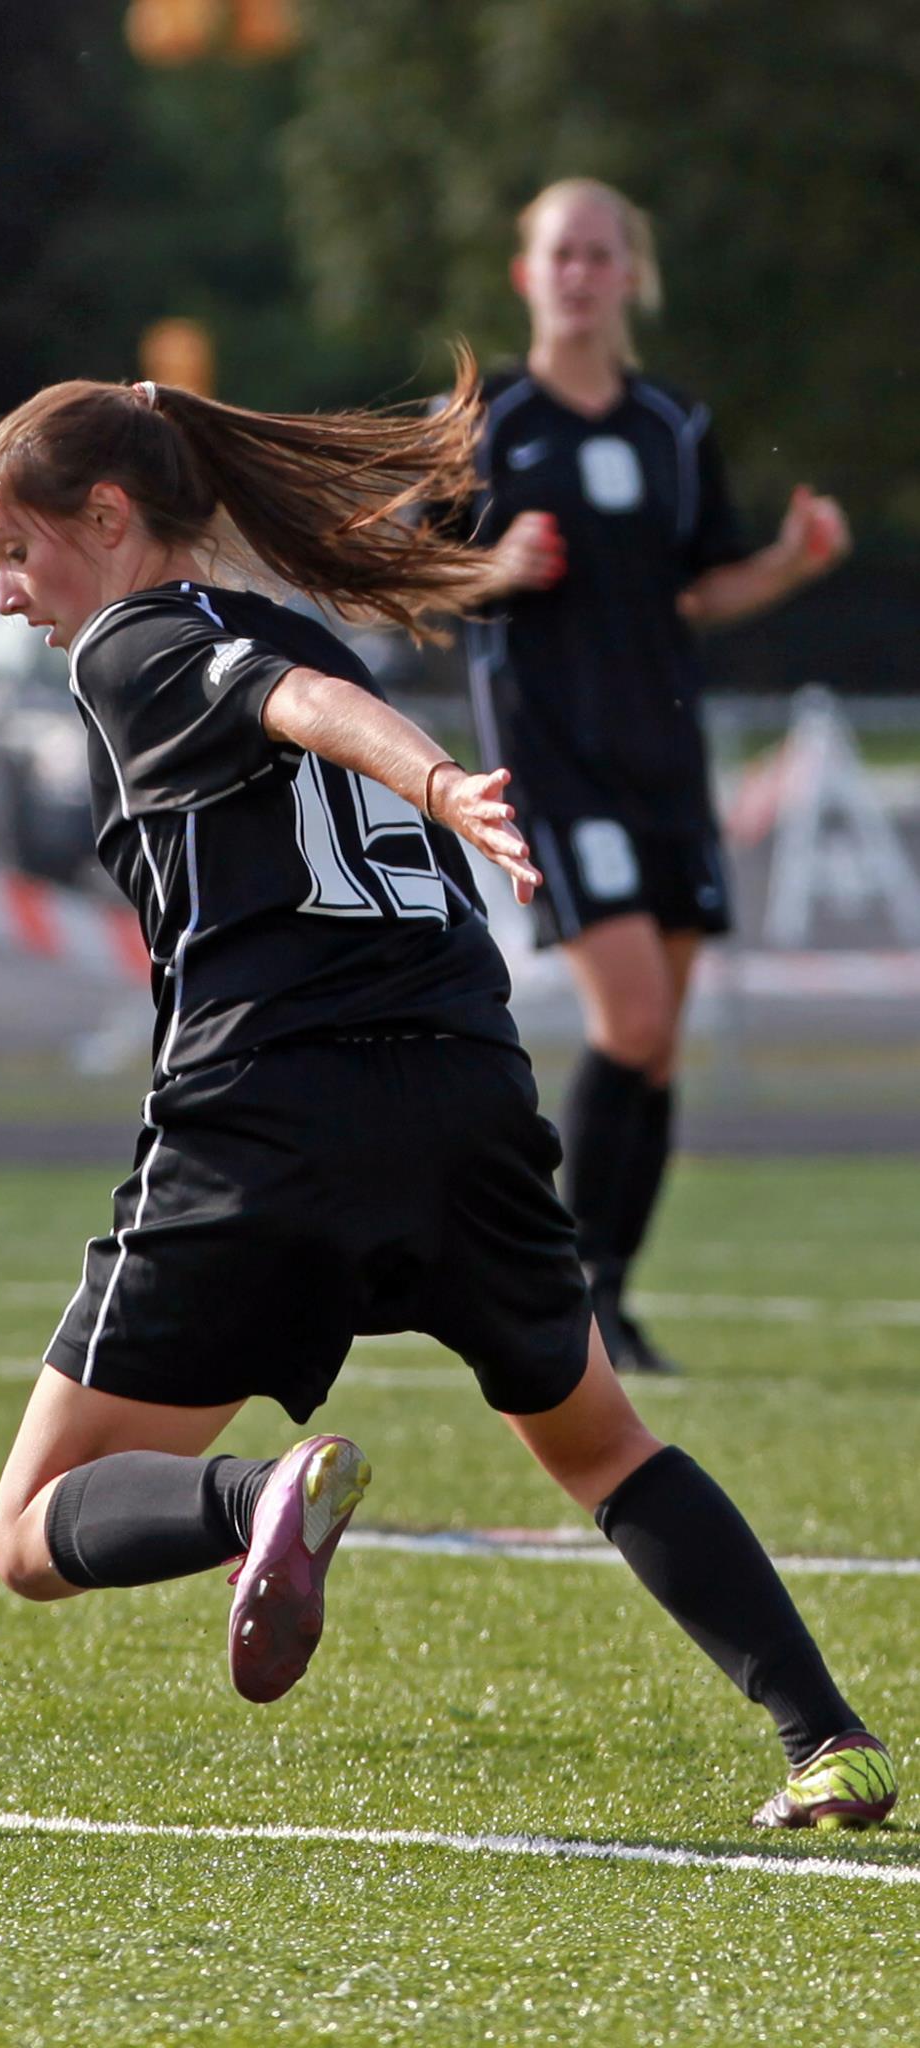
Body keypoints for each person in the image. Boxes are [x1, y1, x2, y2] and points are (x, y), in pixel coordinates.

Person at [0, 371, 895, 1830]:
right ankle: (826, 1738)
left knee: (22, 1536)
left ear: (111, 515)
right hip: (466, 1090)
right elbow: (307, 681)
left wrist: (444, 785)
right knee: (600, 1444)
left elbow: (297, 707)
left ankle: (250, 1501)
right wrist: (431, 787)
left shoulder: (132, 647)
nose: (6, 596)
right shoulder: (289, 619)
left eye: (13, 549)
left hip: (272, 1108)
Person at [461, 177, 850, 1375]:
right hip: (554, 764)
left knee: (662, 1040)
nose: (579, 273)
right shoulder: (481, 423)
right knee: (629, 1015)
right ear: (527, 275)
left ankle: (608, 1295)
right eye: (558, 254)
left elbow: (698, 586)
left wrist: (787, 563)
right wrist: (492, 567)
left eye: (599, 253)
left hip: (663, 761)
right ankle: (562, 1288)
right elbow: (402, 582)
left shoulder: (670, 426)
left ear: (630, 274)